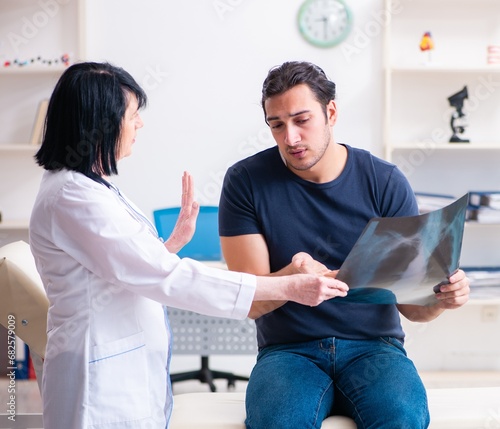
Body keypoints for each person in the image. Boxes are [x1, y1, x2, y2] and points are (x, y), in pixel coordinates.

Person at [29, 61, 349, 429]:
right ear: (99, 120)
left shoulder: (87, 187)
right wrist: (290, 286)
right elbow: (168, 278)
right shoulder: (73, 196)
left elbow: (122, 267)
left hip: (121, 372)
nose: (139, 124)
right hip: (99, 386)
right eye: (132, 114)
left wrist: (169, 245)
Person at [218, 61, 471, 429]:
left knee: (402, 417)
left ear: (331, 112)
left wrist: (442, 299)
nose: (290, 138)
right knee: (279, 422)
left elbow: (414, 309)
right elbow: (251, 303)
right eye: (277, 125)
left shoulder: (384, 181)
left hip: (375, 347)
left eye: (302, 120)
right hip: (289, 351)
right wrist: (292, 278)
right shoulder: (245, 181)